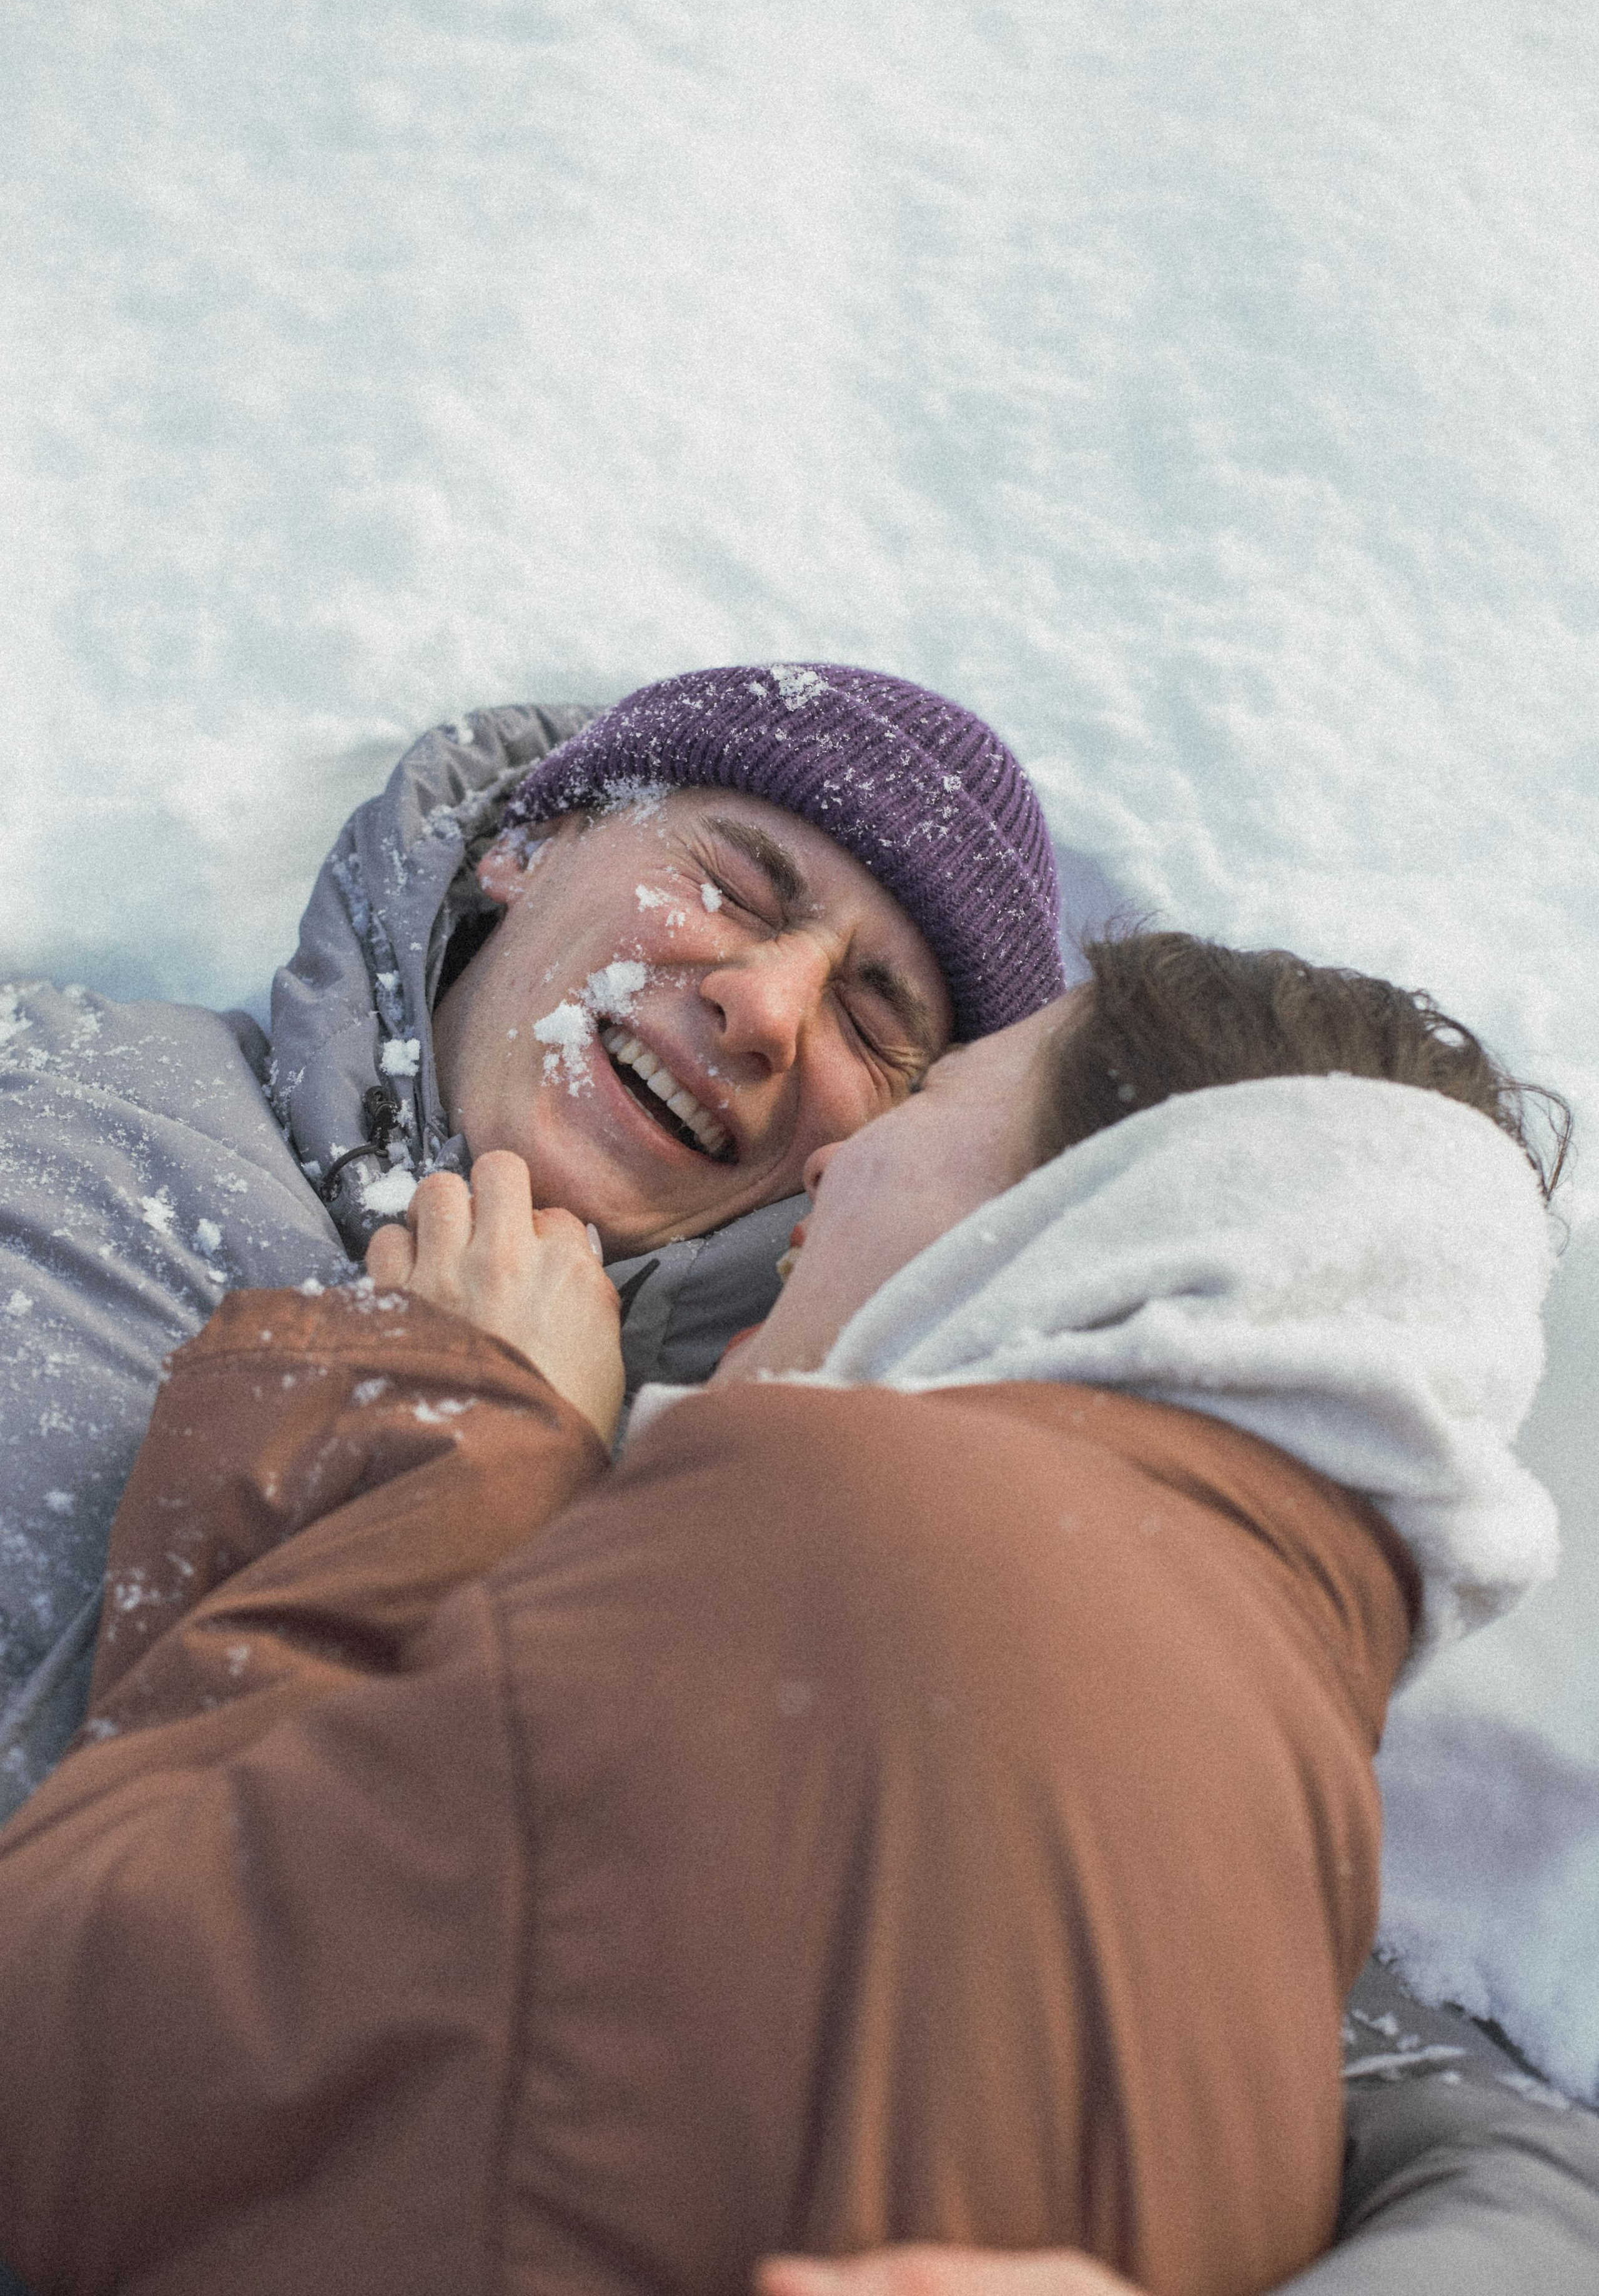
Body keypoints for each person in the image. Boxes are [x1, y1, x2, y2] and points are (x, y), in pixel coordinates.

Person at [1, 932, 1593, 2296]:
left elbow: (73, 2066)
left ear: (1095, 1204)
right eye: (738, 884)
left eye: (923, 1081)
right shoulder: (1288, 1792)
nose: (829, 1158)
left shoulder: (859, 1520)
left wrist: (444, 1451)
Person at [0, 662, 1065, 1816]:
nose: (766, 1011)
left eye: (868, 1019)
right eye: (738, 890)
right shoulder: (41, 1083)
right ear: (528, 845)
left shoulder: (746, 1549)